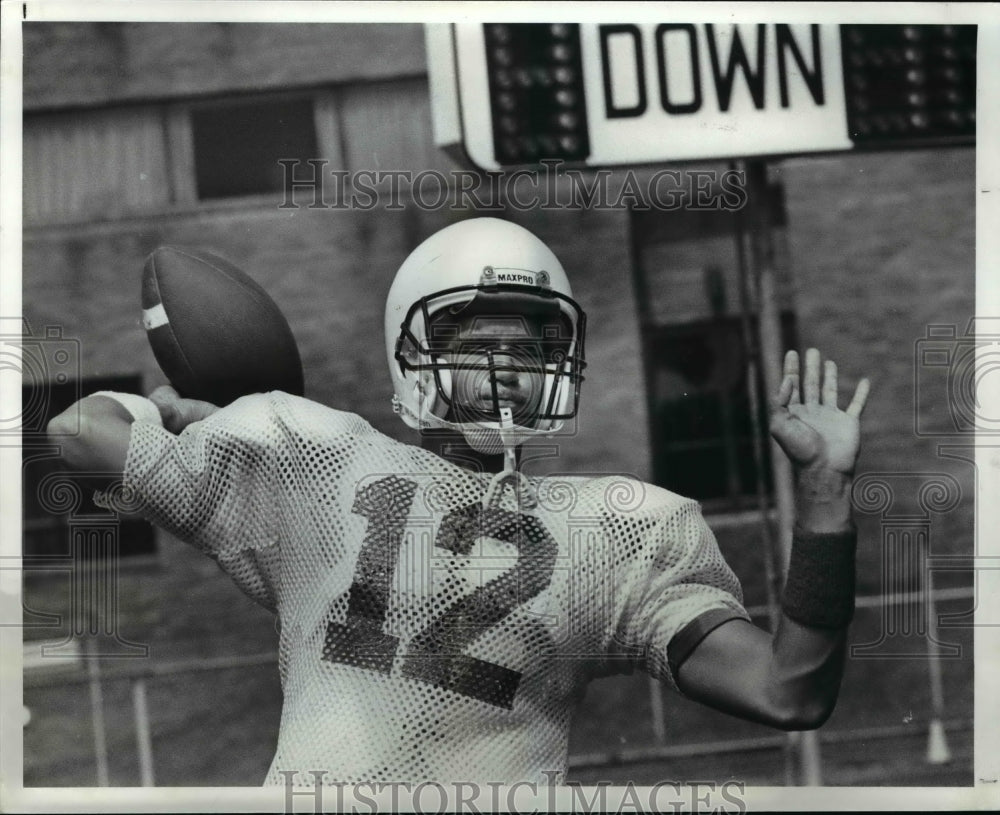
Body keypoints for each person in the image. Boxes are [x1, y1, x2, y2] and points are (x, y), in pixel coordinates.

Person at [48, 217, 870, 786]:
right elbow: (79, 426)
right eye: (479, 339)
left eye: (534, 342)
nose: (510, 365)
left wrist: (826, 493)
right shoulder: (310, 459)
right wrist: (192, 420)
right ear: (412, 350)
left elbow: (789, 691)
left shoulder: (622, 530)